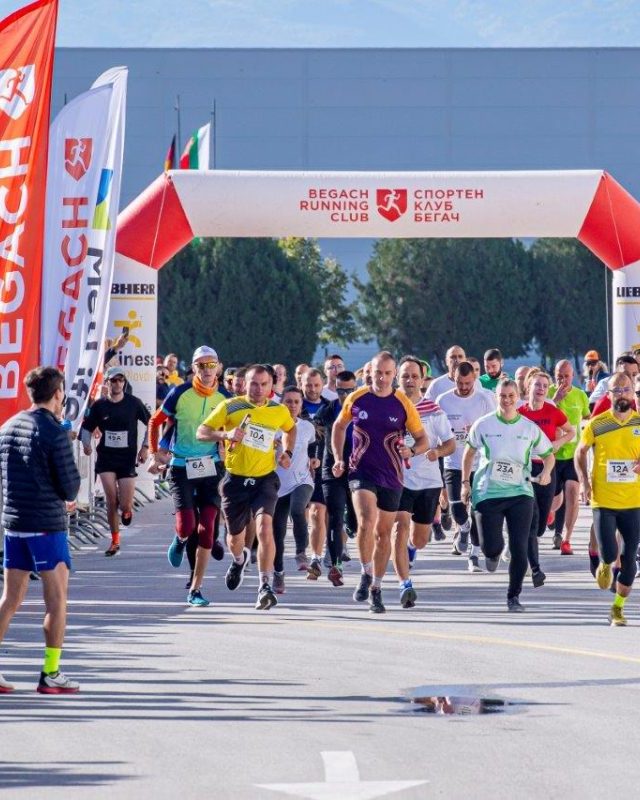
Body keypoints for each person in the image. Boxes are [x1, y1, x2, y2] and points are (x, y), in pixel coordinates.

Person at [0, 367, 81, 694]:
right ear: (58, 393)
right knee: (57, 601)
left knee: (10, 598)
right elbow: (71, 487)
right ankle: (50, 672)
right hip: (46, 525)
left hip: (14, 524)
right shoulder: (54, 432)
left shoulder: (8, 426)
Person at [332, 351, 428, 613]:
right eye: (378, 373)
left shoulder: (402, 403)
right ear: (370, 373)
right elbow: (339, 426)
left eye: (387, 373)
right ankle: (365, 571)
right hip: (361, 471)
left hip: (392, 476)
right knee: (366, 521)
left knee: (383, 534)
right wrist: (339, 458)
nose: (382, 378)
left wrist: (412, 451)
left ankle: (375, 587)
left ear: (394, 374)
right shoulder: (357, 397)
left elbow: (423, 440)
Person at [196, 364, 296, 611]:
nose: (258, 389)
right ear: (244, 383)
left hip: (265, 479)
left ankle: (265, 586)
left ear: (271, 386)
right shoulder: (231, 406)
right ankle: (239, 560)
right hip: (236, 481)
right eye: (254, 384)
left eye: (264, 384)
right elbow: (202, 432)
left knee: (264, 528)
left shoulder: (278, 410)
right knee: (235, 539)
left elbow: (290, 428)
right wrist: (226, 435)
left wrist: (287, 452)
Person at [461, 378, 555, 612]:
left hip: (520, 492)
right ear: (496, 398)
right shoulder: (483, 424)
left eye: (511, 396)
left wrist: (546, 472)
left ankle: (513, 596)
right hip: (488, 493)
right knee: (491, 548)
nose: (507, 400)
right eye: (502, 396)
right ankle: (492, 553)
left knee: (519, 546)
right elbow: (469, 453)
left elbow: (548, 455)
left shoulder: (529, 428)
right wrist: (465, 483)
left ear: (518, 397)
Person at [149, 346, 226, 607]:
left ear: (218, 367)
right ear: (193, 368)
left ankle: (196, 588)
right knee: (187, 525)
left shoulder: (225, 397)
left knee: (207, 529)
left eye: (211, 364)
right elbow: (155, 421)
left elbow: (236, 428)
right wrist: (155, 454)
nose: (206, 370)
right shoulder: (179, 392)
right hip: (182, 466)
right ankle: (180, 539)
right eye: (201, 365)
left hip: (212, 467)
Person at [575, 373, 640, 626]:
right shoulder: (597, 424)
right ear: (608, 394)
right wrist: (584, 482)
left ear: (632, 392)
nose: (622, 394)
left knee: (630, 560)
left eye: (626, 389)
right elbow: (580, 452)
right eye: (617, 390)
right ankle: (604, 562)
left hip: (634, 502)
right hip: (603, 500)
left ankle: (617, 608)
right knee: (611, 553)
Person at [394, 357, 455, 605]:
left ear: (422, 380)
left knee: (419, 539)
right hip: (397, 480)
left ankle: (411, 549)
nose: (409, 381)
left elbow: (450, 444)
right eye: (405, 376)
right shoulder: (389, 406)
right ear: (397, 378)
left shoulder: (433, 410)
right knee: (399, 528)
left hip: (428, 482)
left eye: (414, 376)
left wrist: (437, 452)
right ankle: (404, 584)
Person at [81, 366, 151, 556]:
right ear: (107, 383)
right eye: (113, 380)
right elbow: (86, 428)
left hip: (127, 459)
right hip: (106, 458)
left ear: (124, 383)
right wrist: (86, 444)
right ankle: (115, 541)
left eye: (120, 380)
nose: (117, 383)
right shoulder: (99, 406)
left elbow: (152, 423)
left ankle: (127, 511)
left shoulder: (134, 403)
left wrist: (145, 447)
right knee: (111, 500)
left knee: (125, 504)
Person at [437, 361, 496, 567]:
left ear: (475, 379)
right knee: (458, 511)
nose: (464, 387)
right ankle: (463, 528)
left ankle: (474, 554)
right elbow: (437, 431)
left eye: (468, 383)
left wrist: (478, 431)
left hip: (479, 464)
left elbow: (495, 426)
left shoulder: (485, 399)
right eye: (460, 383)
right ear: (454, 378)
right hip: (453, 462)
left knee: (477, 510)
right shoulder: (443, 400)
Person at [519, 371, 575, 587]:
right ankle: (529, 563)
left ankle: (529, 544)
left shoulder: (552, 411)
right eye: (537, 385)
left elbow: (571, 432)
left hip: (547, 467)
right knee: (529, 518)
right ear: (528, 387)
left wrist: (558, 443)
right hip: (524, 468)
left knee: (540, 525)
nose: (541, 389)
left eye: (544, 385)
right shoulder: (520, 412)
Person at [271, 386, 318, 594]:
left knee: (298, 509)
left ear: (301, 405)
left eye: (296, 402)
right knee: (277, 533)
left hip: (302, 480)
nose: (292, 406)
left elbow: (314, 446)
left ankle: (301, 552)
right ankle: (278, 573)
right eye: (288, 401)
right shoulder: (272, 426)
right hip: (276, 485)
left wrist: (315, 459)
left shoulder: (307, 427)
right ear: (281, 404)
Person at [316, 370, 358, 586]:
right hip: (332, 468)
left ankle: (352, 525)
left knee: (355, 521)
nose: (346, 396)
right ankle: (335, 564)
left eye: (351, 391)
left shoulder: (363, 409)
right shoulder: (329, 409)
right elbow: (313, 424)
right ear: (335, 389)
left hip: (358, 469)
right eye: (341, 391)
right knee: (334, 517)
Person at [547, 360, 591, 553]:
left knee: (572, 493)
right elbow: (541, 413)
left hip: (573, 455)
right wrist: (555, 399)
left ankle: (566, 539)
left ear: (573, 376)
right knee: (555, 499)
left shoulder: (580, 395)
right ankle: (550, 513)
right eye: (559, 376)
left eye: (566, 376)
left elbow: (587, 418)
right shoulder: (548, 392)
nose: (563, 380)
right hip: (552, 455)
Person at [300, 369, 331, 579]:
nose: (312, 389)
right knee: (303, 515)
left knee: (318, 512)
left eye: (316, 385)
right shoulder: (293, 405)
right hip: (296, 469)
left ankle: (316, 557)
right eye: (308, 385)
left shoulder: (330, 408)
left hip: (323, 467)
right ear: (301, 384)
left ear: (323, 385)